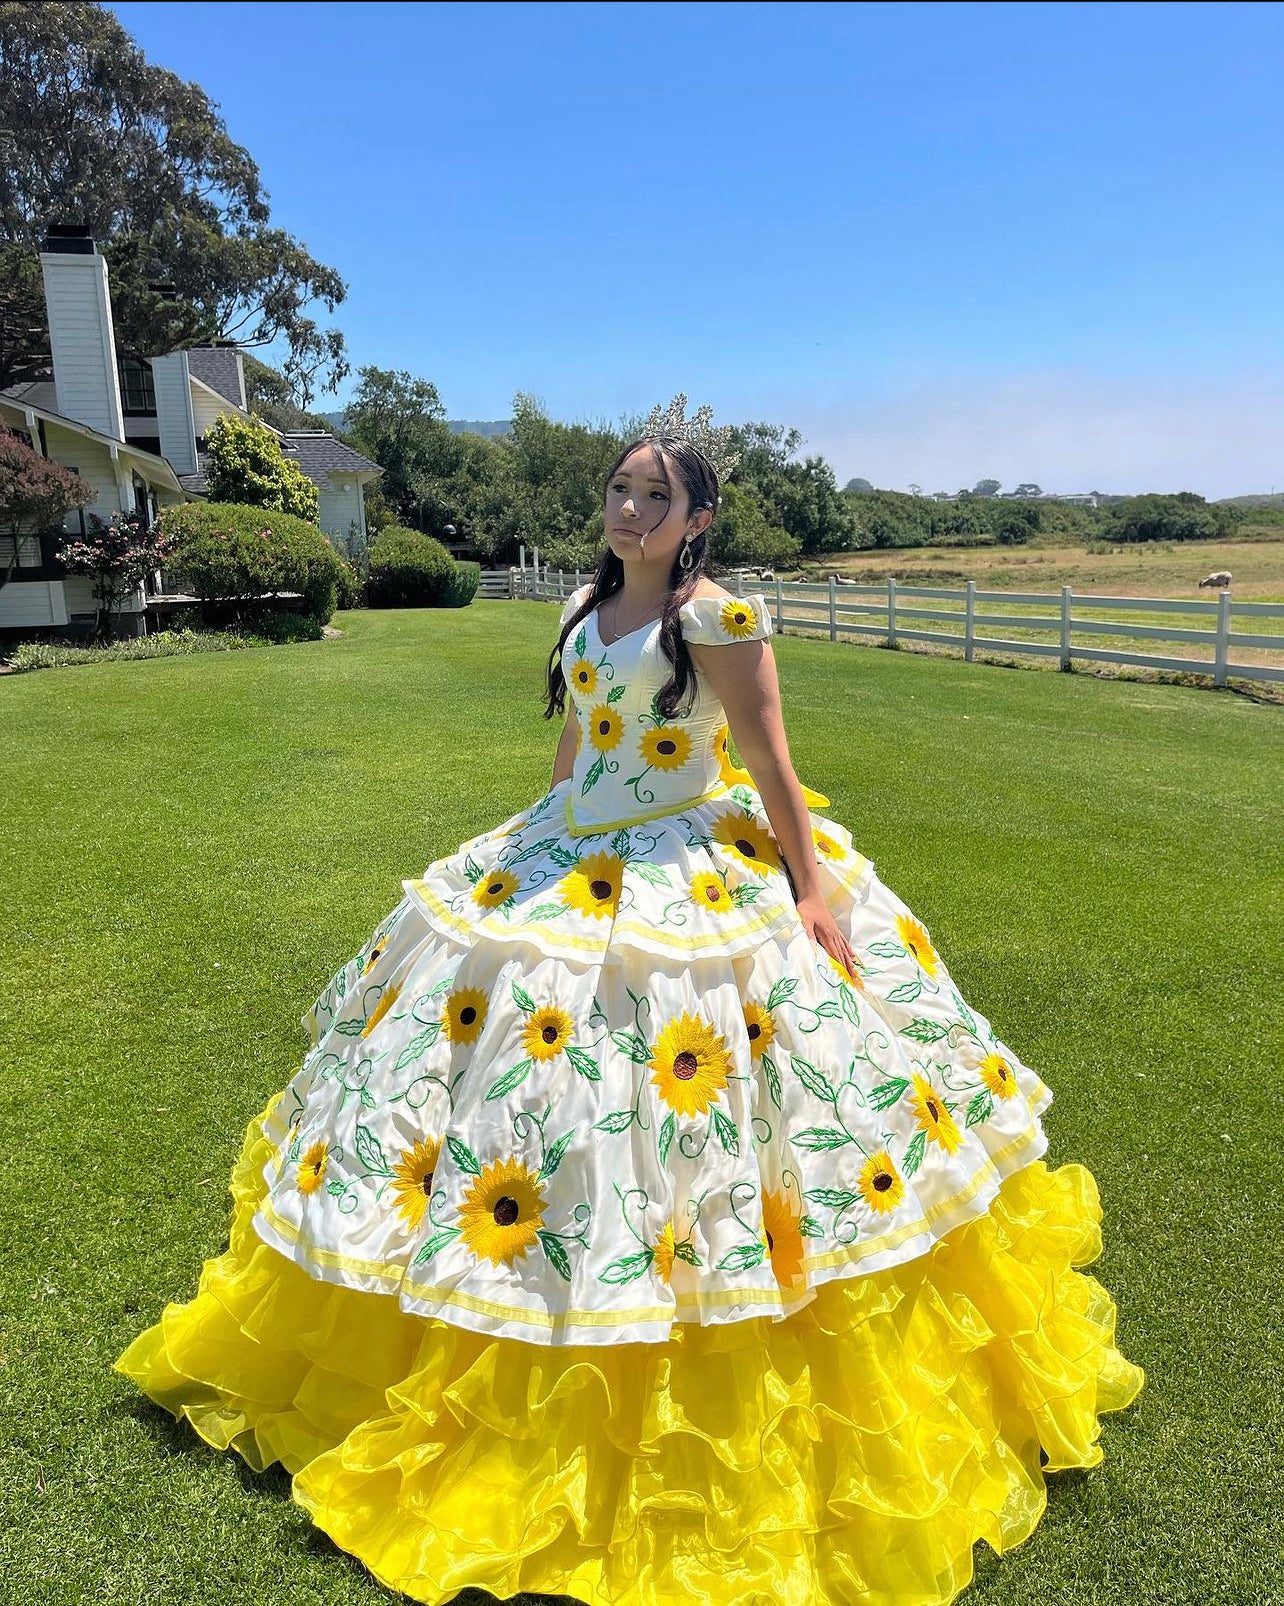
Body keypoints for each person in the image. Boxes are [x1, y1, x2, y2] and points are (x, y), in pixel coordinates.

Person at [115, 404, 1144, 1606]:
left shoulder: (714, 617)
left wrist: (814, 894)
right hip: (575, 852)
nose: (630, 510)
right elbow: (577, 751)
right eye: (620, 489)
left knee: (709, 1110)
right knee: (515, 1094)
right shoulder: (580, 610)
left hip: (688, 870)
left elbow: (764, 755)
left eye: (657, 497)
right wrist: (532, 838)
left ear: (697, 520)